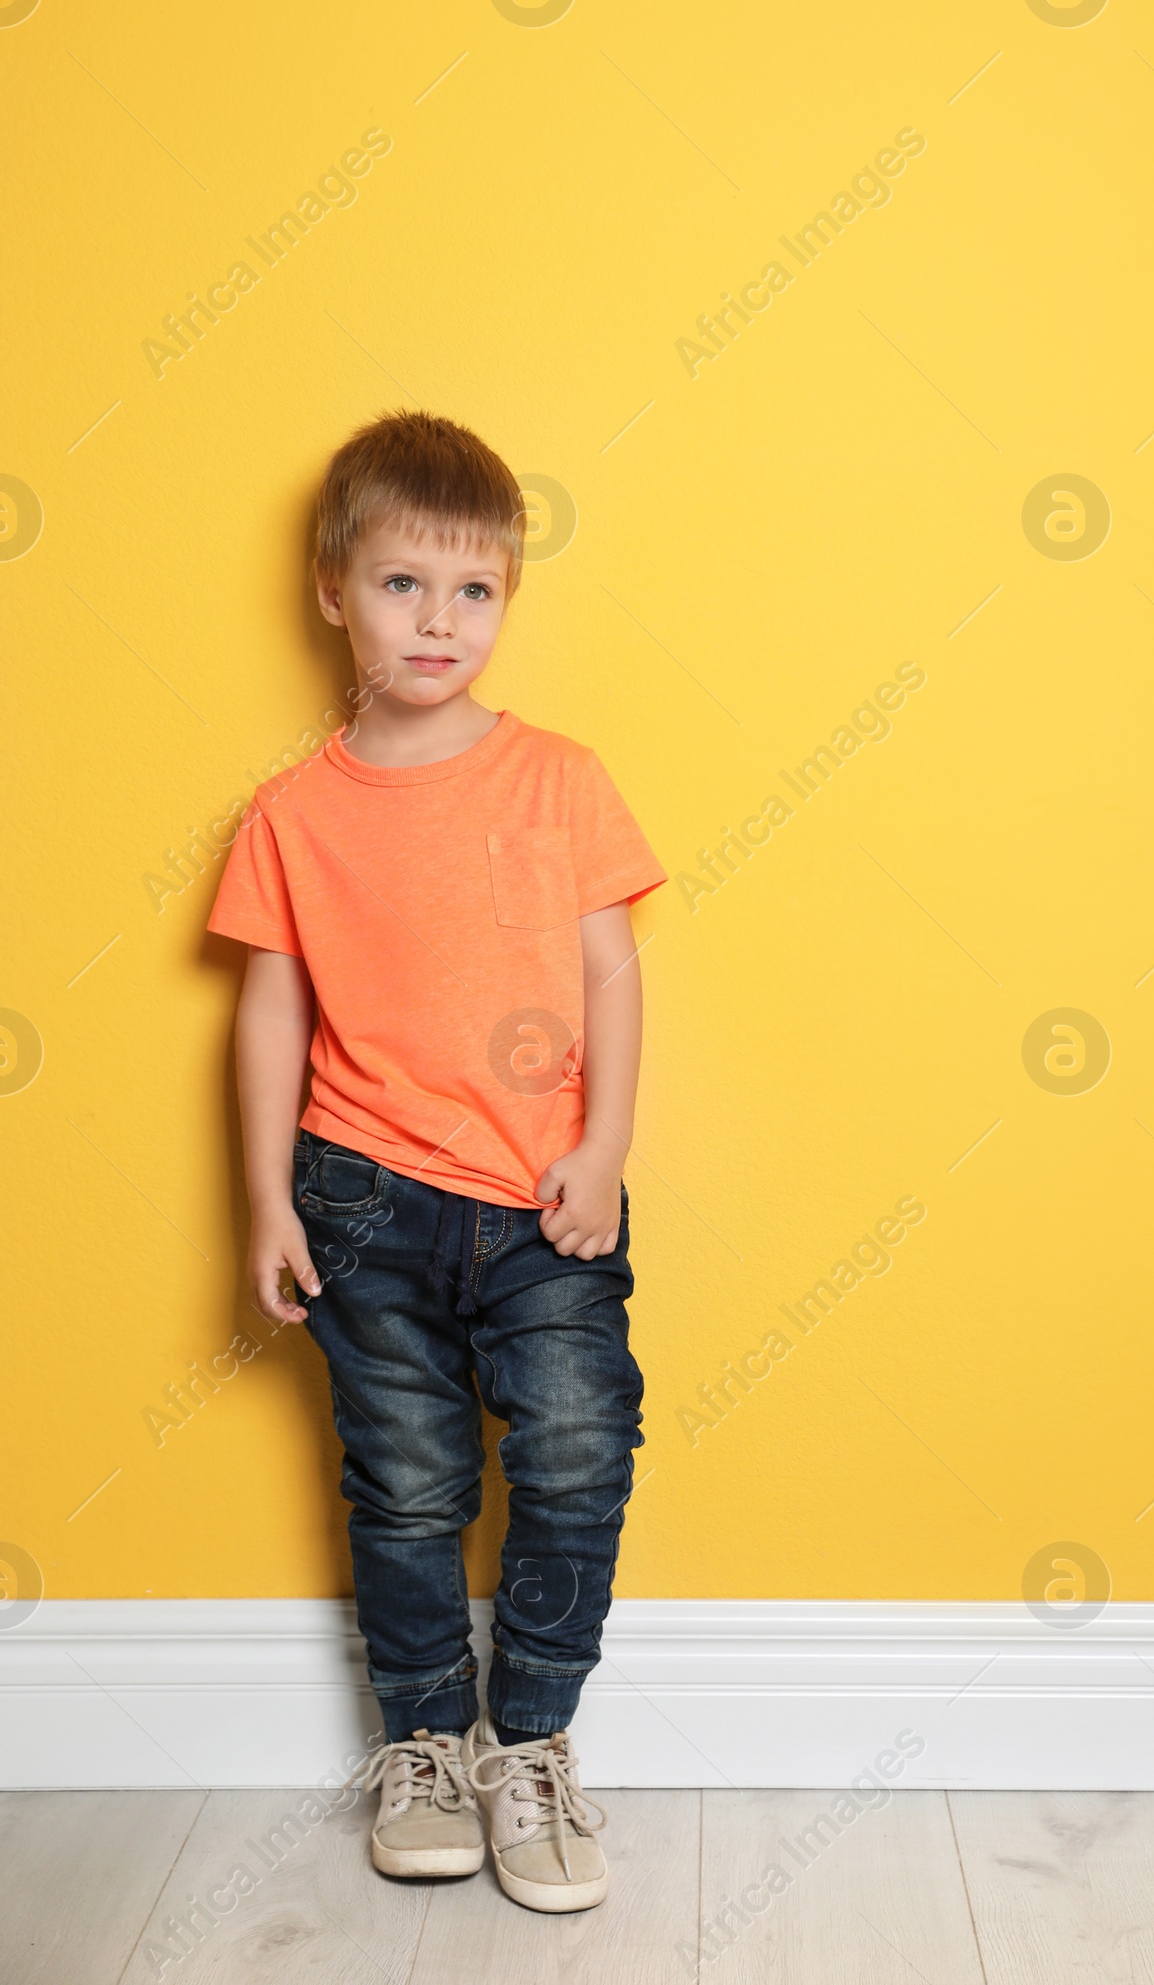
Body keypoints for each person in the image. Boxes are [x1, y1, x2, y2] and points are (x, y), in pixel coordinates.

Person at [207, 409, 664, 1913]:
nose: (440, 622)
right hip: (363, 1197)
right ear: (335, 589)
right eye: (406, 585)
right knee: (402, 1489)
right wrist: (268, 1198)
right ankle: (420, 1738)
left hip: (543, 1196)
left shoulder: (561, 781)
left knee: (579, 1454)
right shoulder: (293, 813)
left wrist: (602, 1148)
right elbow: (270, 1012)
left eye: (475, 591)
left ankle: (528, 1742)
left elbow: (611, 977)